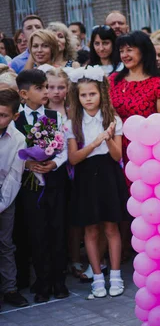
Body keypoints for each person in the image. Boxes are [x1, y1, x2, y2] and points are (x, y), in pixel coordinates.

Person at [65, 66, 128, 298]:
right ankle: (98, 278)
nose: (88, 99)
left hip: (108, 174)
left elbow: (117, 156)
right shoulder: (73, 122)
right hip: (85, 176)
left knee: (111, 227)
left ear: (101, 93)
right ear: (77, 96)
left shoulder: (113, 119)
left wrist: (109, 137)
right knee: (90, 229)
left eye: (92, 94)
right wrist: (94, 142)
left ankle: (115, 275)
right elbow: (73, 158)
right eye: (83, 95)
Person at [14, 69, 69, 302]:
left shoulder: (54, 116)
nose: (47, 92)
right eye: (41, 88)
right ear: (24, 94)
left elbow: (64, 146)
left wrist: (54, 163)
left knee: (58, 230)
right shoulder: (15, 120)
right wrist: (27, 164)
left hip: (54, 182)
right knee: (37, 233)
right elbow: (11, 151)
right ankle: (43, 281)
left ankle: (59, 280)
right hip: (29, 186)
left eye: (47, 86)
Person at [109, 31, 160, 169]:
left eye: (129, 50)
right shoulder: (113, 80)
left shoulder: (157, 83)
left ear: (143, 51)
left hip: (146, 151)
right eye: (121, 51)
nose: (124, 55)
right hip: (116, 145)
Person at [0, 89, 29, 310]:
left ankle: (10, 288)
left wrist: (0, 205)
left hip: (4, 198)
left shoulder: (18, 139)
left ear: (15, 117)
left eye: (3, 115)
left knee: (5, 244)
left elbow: (14, 177)